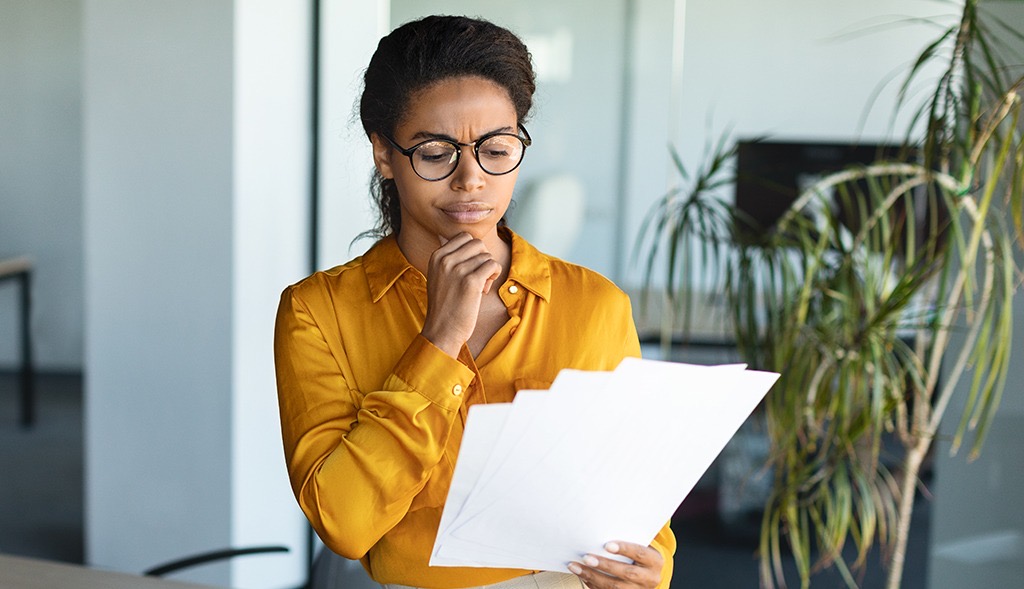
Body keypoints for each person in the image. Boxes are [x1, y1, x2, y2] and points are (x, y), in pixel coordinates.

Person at [274, 15, 674, 589]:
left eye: (497, 149)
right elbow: (343, 523)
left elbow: (637, 509)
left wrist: (647, 570)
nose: (471, 179)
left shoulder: (595, 305)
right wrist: (438, 341)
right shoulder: (317, 312)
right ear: (384, 154)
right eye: (435, 153)